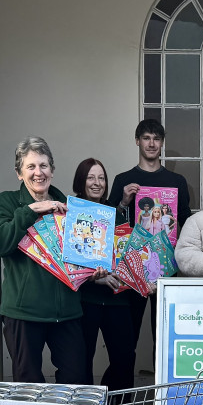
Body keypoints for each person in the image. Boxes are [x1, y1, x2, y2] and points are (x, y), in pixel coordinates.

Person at [0, 136, 85, 384]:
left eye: (43, 165)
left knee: (76, 379)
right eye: (30, 167)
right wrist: (30, 211)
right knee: (27, 385)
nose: (38, 173)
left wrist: (95, 271)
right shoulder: (5, 203)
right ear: (19, 173)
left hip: (67, 312)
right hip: (24, 313)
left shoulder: (72, 208)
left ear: (52, 170)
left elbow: (84, 255)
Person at [106, 119, 191, 347]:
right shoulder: (123, 180)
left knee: (164, 334)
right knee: (127, 334)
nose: (151, 143)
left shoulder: (177, 182)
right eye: (146, 138)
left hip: (166, 264)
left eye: (156, 138)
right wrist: (123, 202)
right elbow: (109, 225)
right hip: (131, 265)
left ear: (162, 143)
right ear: (137, 141)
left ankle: (160, 382)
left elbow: (187, 222)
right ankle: (125, 382)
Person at [71, 157, 137, 392]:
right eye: (91, 177)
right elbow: (68, 258)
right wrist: (95, 277)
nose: (97, 183)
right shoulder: (71, 212)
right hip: (85, 300)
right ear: (81, 181)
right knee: (81, 361)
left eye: (101, 178)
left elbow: (126, 252)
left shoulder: (115, 213)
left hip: (117, 298)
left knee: (125, 358)